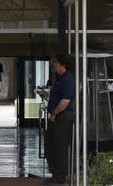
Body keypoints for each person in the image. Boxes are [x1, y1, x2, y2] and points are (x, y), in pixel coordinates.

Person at [45, 54, 75, 185]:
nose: (54, 64)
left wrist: (54, 114)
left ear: (62, 65)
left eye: (56, 62)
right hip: (57, 117)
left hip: (62, 117)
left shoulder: (67, 79)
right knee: (52, 146)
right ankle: (55, 175)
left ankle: (59, 178)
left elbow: (65, 101)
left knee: (60, 146)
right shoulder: (60, 78)